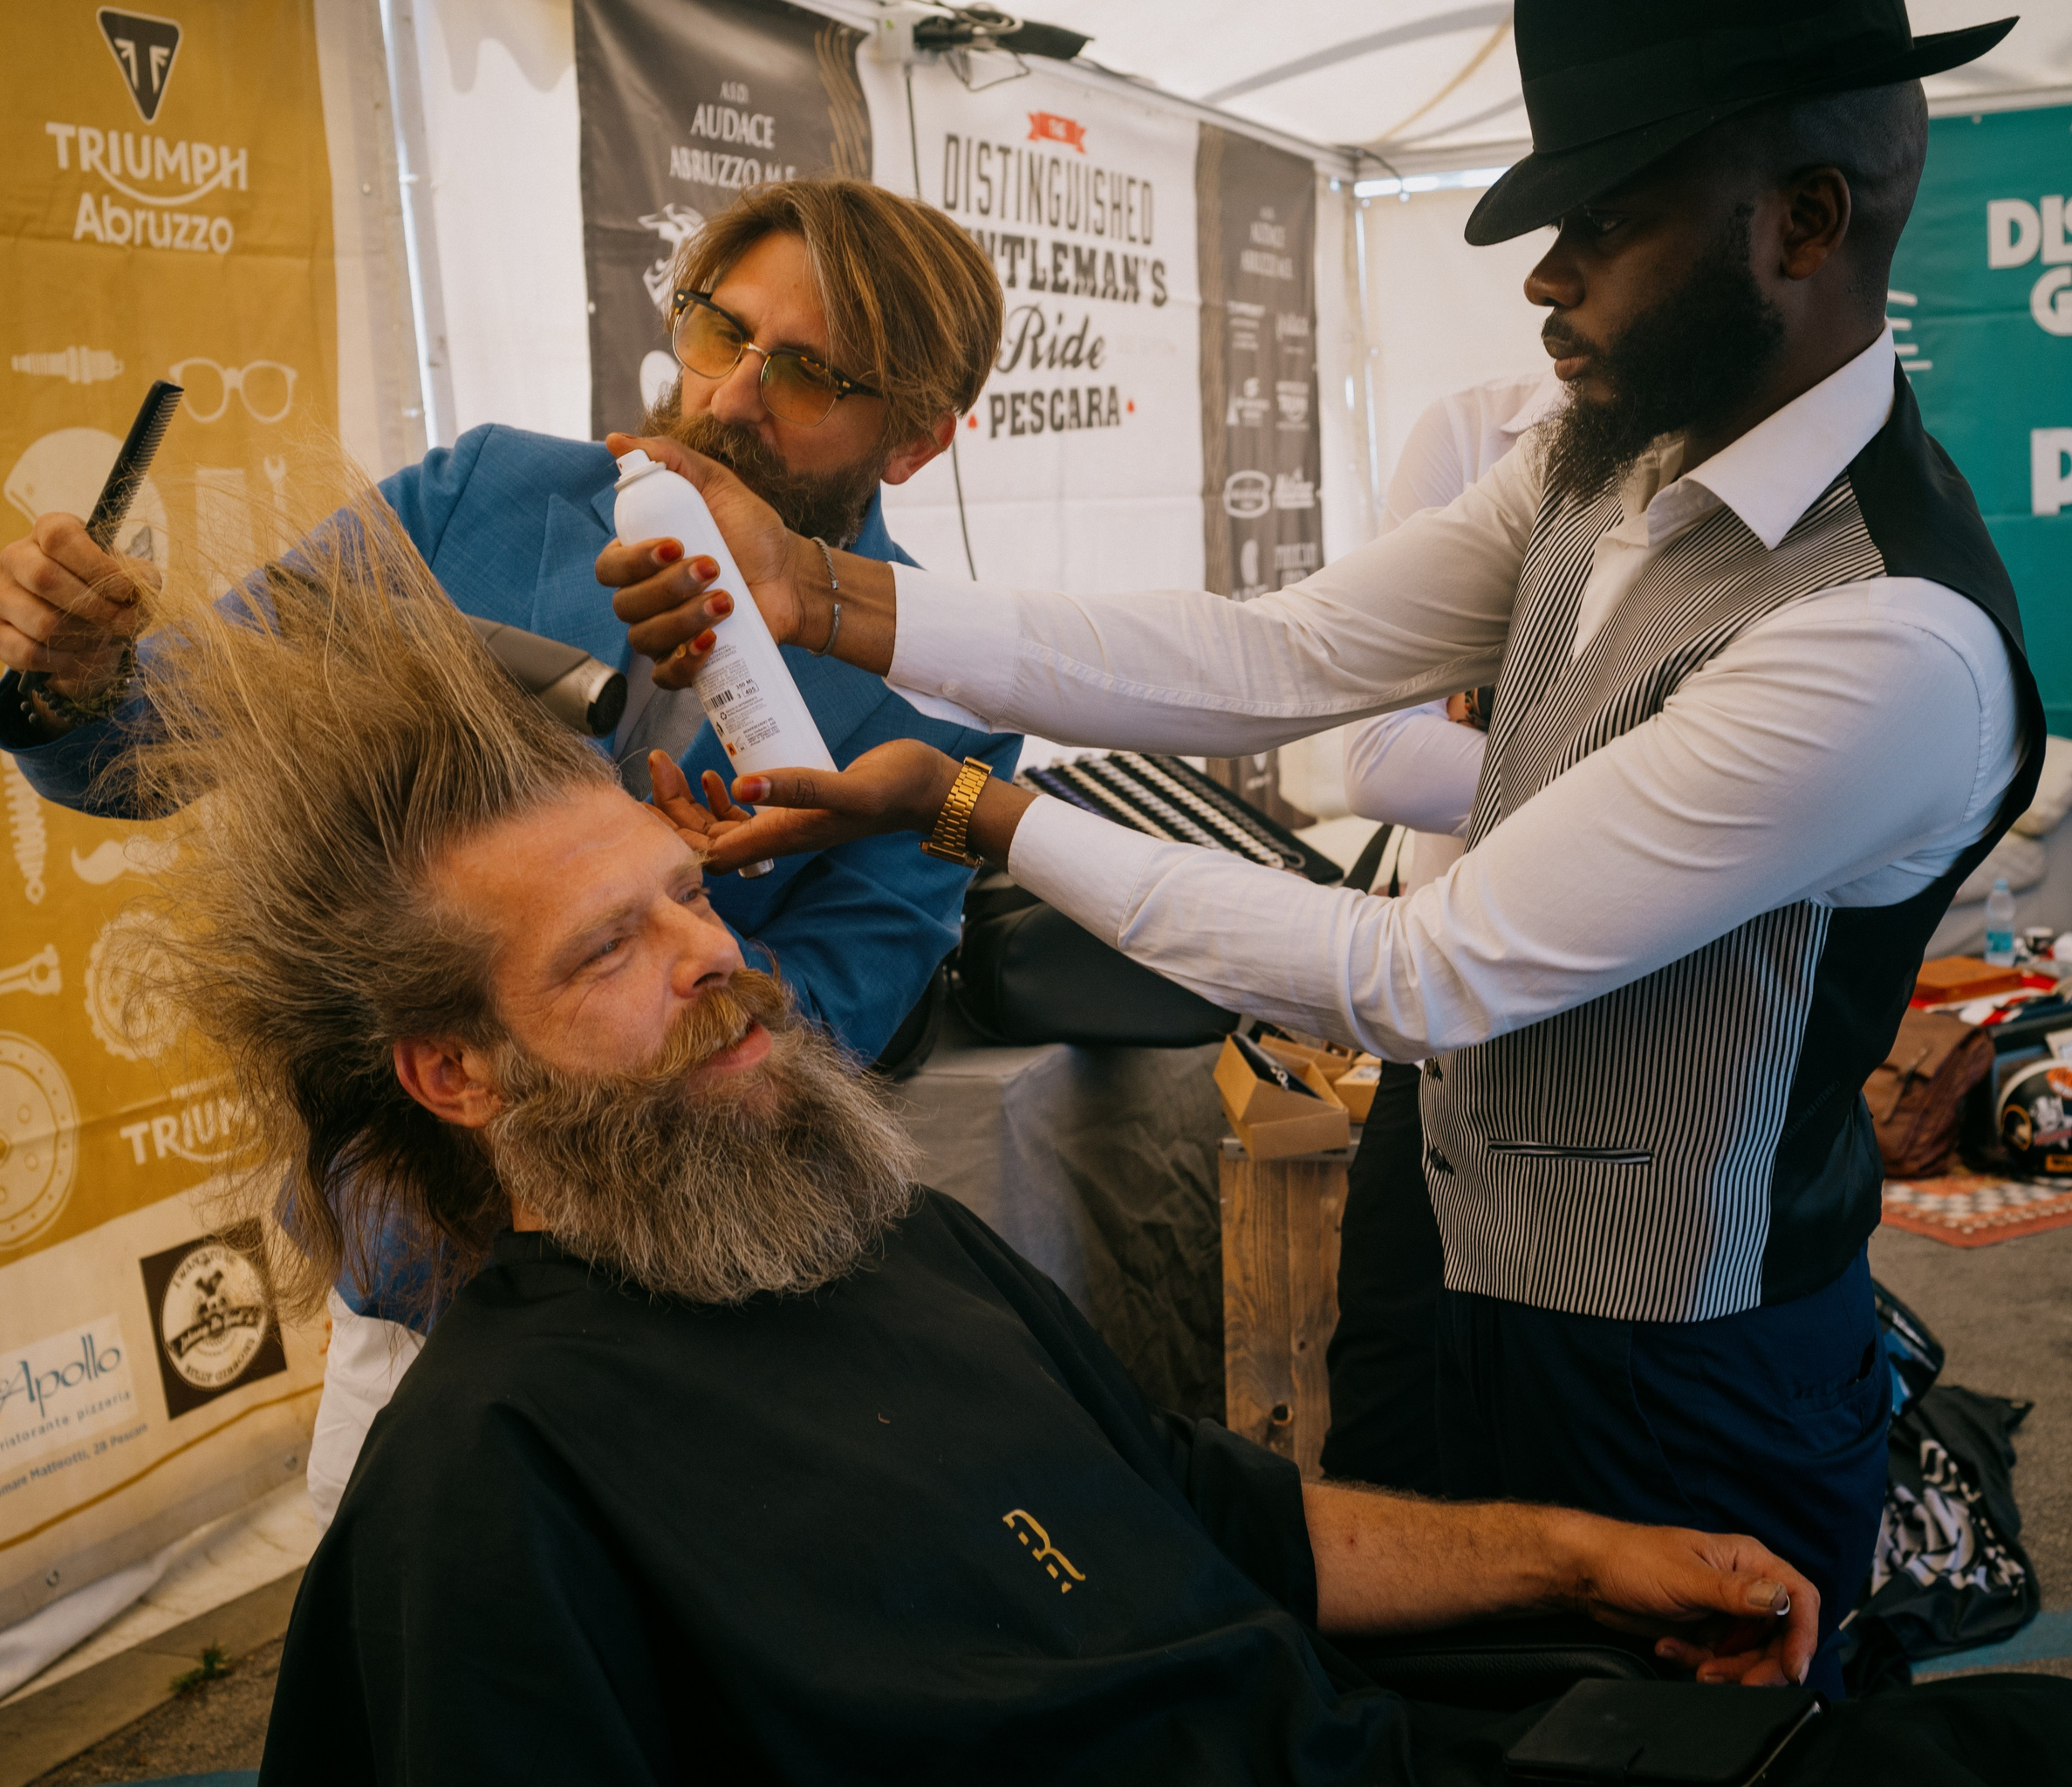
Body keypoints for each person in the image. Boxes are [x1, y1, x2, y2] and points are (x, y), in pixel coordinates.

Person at [113, 479, 2072, 1785]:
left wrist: (1568, 1554)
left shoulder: (871, 1230)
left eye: (690, 893)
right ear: (454, 1074)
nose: (718, 960)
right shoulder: (497, 1479)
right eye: (610, 950)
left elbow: (1196, 1502)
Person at [601, 2, 2040, 1697]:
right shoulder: (1604, 460)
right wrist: (821, 592)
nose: (1541, 278)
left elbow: (1421, 974)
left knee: (1638, 1748)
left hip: (1678, 1367)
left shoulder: (1885, 634)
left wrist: (970, 807)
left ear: (1802, 220)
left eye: (1602, 226)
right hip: (1428, 1258)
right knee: (1408, 1726)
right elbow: (1271, 654)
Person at [0, 178, 1021, 1520]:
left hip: (692, 1297)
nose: (729, 399)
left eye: (812, 374)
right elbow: (155, 737)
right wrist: (78, 670)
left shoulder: (944, 692)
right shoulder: (487, 496)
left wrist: (633, 910)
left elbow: (841, 1022)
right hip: (416, 1279)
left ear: (917, 441)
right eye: (720, 330)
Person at [1322, 368, 1556, 1496]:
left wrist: (1502, 715)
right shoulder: (1473, 433)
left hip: (1654, 1024)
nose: (1558, 276)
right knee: (1390, 1385)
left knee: (1595, 1394)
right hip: (1450, 1010)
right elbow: (1378, 755)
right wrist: (1655, 768)